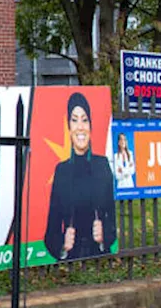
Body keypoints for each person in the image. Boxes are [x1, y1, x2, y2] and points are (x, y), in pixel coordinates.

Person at [44, 92, 116, 261]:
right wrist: (62, 244)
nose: (80, 127)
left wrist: (104, 236)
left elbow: (114, 216)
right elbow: (51, 230)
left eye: (84, 120)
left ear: (90, 125)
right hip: (70, 260)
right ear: (69, 127)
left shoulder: (102, 165)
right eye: (74, 120)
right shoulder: (61, 171)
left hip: (100, 258)